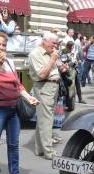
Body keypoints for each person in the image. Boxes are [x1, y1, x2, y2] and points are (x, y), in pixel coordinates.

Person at [0, 32, 40, 174]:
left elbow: (17, 85)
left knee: (13, 144)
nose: (1, 47)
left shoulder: (10, 62)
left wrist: (28, 98)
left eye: (3, 45)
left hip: (13, 109)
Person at [28, 32, 69, 160]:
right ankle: (48, 151)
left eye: (57, 43)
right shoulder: (35, 54)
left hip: (53, 87)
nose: (55, 46)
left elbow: (56, 69)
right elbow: (41, 74)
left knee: (43, 118)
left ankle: (40, 149)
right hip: (44, 86)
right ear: (44, 41)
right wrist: (52, 59)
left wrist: (63, 68)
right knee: (46, 119)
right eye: (53, 43)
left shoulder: (52, 52)